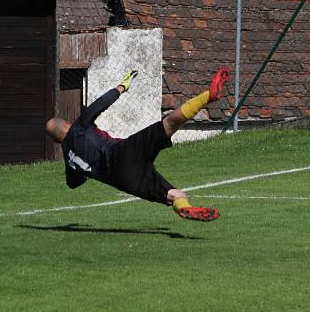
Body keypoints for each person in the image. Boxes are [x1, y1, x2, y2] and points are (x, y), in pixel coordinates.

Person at [45, 67, 230, 222]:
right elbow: (100, 104)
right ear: (67, 124)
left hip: (124, 180)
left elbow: (73, 184)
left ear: (56, 141)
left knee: (176, 195)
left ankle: (186, 208)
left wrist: (84, 170)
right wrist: (121, 87)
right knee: (169, 123)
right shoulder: (79, 126)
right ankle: (209, 95)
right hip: (122, 153)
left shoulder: (69, 161)